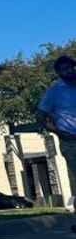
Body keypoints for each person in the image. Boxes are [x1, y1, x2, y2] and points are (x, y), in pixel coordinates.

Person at [37, 55, 76, 211]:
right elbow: (40, 116)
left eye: (71, 67)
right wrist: (58, 132)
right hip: (70, 141)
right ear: (59, 72)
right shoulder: (54, 92)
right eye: (64, 69)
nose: (69, 71)